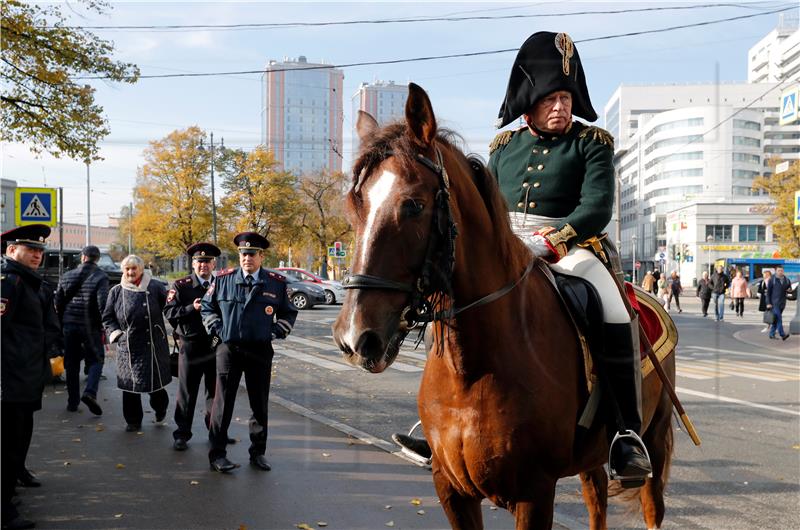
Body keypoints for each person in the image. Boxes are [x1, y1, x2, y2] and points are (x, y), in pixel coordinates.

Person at [396, 31, 652, 483]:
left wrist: (553, 239)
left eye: (567, 97)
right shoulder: (502, 148)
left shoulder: (592, 142)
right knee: (453, 297)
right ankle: (438, 418)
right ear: (527, 100)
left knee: (611, 305)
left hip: (570, 248)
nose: (561, 106)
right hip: (505, 245)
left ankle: (625, 432)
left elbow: (596, 208)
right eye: (551, 97)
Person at [201, 232, 298, 473]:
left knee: (259, 403)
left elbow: (288, 313)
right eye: (243, 254)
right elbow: (206, 307)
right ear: (239, 256)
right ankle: (217, 454)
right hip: (229, 350)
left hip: (259, 350)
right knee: (223, 403)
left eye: (252, 254)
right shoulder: (223, 279)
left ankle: (258, 453)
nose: (247, 258)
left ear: (261, 256)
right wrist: (219, 329)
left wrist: (274, 332)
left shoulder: (276, 282)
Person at [1, 225, 61, 530]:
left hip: (26, 376)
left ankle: (8, 494)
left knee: (18, 440)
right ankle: (4, 512)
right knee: (7, 444)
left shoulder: (31, 282)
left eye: (40, 250)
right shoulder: (8, 282)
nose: (38, 255)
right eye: (31, 250)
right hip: (9, 380)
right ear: (12, 251)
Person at [164, 242, 229, 451]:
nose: (204, 266)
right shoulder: (181, 286)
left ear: (214, 263)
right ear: (193, 264)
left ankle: (215, 432)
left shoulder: (222, 284)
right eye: (199, 262)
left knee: (215, 392)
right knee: (187, 392)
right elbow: (170, 312)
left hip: (214, 345)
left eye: (207, 262)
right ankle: (182, 434)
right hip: (191, 345)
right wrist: (192, 308)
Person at [102, 255, 172, 431]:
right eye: (127, 269)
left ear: (141, 269)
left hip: (153, 344)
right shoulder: (116, 291)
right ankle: (133, 421)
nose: (130, 272)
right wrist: (117, 335)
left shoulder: (155, 287)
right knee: (130, 386)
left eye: (134, 268)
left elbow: (171, 310)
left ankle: (160, 408)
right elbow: (107, 317)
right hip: (129, 346)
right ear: (123, 271)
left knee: (155, 385)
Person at [55, 245, 109, 416]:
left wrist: (63, 321)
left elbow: (58, 302)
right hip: (90, 325)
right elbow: (103, 304)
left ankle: (72, 402)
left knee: (71, 363)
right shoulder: (101, 276)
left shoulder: (67, 275)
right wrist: (104, 325)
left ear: (83, 257)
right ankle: (90, 392)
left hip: (69, 325)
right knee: (96, 359)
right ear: (97, 258)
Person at [766, 266, 791, 341]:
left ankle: (771, 334)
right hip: (774, 303)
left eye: (781, 270)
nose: (780, 272)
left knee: (776, 319)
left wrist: (790, 290)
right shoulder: (772, 279)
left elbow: (789, 289)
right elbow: (768, 293)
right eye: (779, 270)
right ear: (776, 271)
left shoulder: (787, 280)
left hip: (782, 303)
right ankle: (782, 334)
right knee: (779, 318)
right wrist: (768, 303)